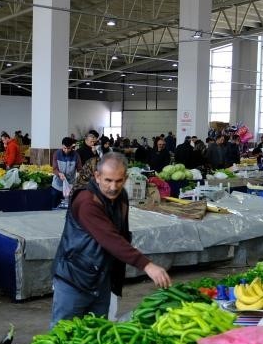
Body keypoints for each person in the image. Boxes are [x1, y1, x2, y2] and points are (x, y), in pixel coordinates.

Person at [50, 153, 172, 327]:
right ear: (97, 176)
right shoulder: (86, 201)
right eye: (108, 180)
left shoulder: (121, 197)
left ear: (126, 178)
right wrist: (147, 265)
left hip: (101, 279)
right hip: (74, 278)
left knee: (97, 335)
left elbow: (122, 234)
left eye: (119, 181)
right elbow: (111, 239)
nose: (113, 187)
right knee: (61, 337)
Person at [52, 137, 80, 205]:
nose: (66, 150)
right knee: (55, 205)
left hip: (70, 185)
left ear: (72, 147)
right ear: (62, 146)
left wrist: (79, 175)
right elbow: (54, 169)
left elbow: (80, 169)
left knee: (68, 206)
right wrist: (59, 174)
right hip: (57, 185)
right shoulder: (56, 154)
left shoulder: (76, 155)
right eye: (64, 148)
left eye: (69, 148)